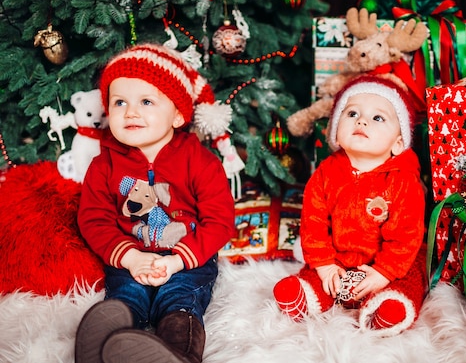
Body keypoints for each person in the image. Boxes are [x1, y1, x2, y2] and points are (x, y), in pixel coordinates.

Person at [75, 43, 236, 363]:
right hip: (130, 258)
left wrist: (177, 261)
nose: (130, 112)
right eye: (119, 102)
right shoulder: (105, 164)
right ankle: (104, 347)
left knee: (179, 301)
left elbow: (219, 221)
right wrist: (130, 257)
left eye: (146, 101)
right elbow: (93, 218)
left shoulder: (199, 162)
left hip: (187, 261)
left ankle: (177, 354)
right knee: (125, 297)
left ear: (177, 114)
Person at [273, 75, 428, 337]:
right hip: (338, 258)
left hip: (389, 262)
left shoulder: (403, 180)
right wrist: (324, 266)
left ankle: (387, 308)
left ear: (398, 143)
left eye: (378, 118)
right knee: (314, 274)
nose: (362, 121)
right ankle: (306, 295)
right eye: (352, 113)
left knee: (409, 277)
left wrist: (383, 273)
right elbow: (313, 223)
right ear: (335, 130)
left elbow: (406, 236)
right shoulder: (326, 172)